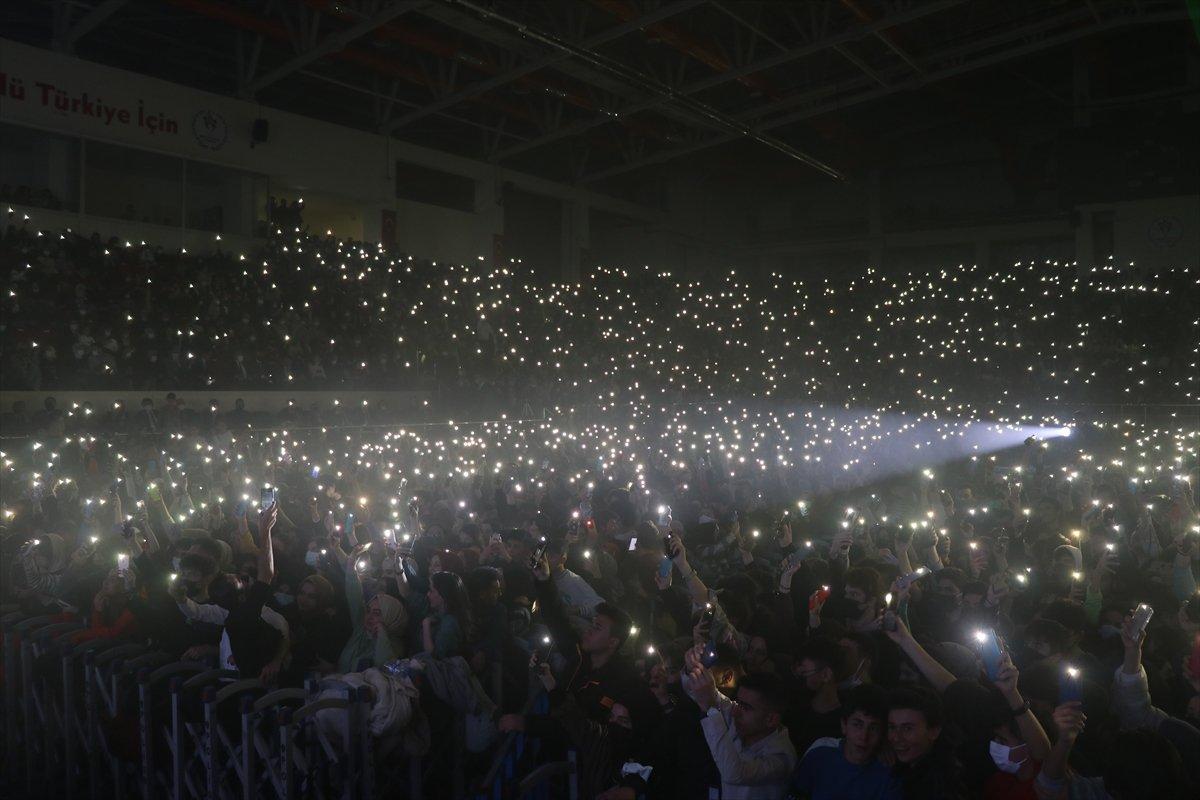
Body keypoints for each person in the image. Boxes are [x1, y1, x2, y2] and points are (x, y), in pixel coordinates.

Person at [682, 644, 797, 799]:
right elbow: (703, 693)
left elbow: (735, 773)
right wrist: (693, 669)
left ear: (771, 719)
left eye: (746, 707)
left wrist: (710, 709)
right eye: (738, 703)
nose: (735, 712)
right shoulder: (740, 720)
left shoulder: (781, 757)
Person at [791, 684, 900, 800]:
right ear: (844, 725)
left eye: (873, 728)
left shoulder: (888, 773)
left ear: (882, 732)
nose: (864, 736)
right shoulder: (820, 753)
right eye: (857, 725)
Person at [887, 686, 965, 800]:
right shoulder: (900, 766)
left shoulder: (942, 786)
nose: (896, 737)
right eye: (892, 727)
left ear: (934, 731)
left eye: (907, 728)